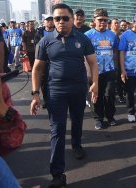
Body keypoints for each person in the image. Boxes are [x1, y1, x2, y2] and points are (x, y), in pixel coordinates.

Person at [30, 3, 99, 187]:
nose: (60, 21)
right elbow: (37, 69)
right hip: (55, 91)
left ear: (72, 19)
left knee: (77, 121)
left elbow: (93, 62)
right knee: (57, 130)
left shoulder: (83, 39)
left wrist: (95, 84)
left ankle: (76, 144)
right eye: (56, 18)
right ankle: (58, 174)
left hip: (78, 89)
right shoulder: (45, 41)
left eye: (65, 18)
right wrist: (35, 94)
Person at [85, 8, 118, 130]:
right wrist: (88, 72)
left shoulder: (112, 35)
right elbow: (84, 55)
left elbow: (115, 50)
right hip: (94, 72)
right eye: (100, 20)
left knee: (109, 94)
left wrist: (116, 67)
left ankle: (110, 116)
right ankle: (98, 119)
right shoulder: (87, 36)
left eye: (105, 20)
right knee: (96, 95)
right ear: (94, 20)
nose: (103, 22)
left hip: (109, 70)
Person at [34, 15, 55, 109]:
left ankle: (55, 99)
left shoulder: (57, 31)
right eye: (48, 20)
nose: (50, 22)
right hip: (43, 61)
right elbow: (36, 46)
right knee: (43, 81)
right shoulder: (39, 32)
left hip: (54, 61)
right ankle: (46, 100)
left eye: (51, 20)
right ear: (44, 22)